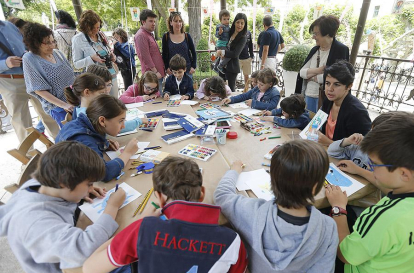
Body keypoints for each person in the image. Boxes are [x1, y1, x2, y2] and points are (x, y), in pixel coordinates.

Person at [83, 156, 248, 273]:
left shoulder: (144, 229)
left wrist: (139, 222)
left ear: (160, 198)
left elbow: (89, 268)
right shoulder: (233, 240)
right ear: (202, 193)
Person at [0, 141, 126, 272]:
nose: (91, 188)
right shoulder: (35, 222)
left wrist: (79, 192)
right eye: (89, 184)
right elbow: (83, 248)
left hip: (69, 243)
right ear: (63, 183)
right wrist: (112, 206)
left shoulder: (42, 184)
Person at [214, 140, 338, 272]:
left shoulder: (252, 212)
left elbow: (222, 195)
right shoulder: (328, 228)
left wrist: (234, 170)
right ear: (315, 187)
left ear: (272, 179)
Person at [325, 112, 414, 273]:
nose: (371, 169)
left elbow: (344, 254)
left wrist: (338, 209)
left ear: (404, 174)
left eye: (374, 165)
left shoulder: (385, 216)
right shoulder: (405, 197)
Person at [56, 94, 139, 182]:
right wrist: (127, 153)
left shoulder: (86, 122)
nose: (123, 126)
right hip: (68, 183)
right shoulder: (83, 140)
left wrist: (103, 143)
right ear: (102, 121)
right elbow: (103, 173)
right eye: (120, 121)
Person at [0, 20, 59, 142]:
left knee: (47, 112)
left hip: (31, 75)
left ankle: (63, 145)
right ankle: (29, 156)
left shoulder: (9, 25)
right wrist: (5, 63)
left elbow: (25, 44)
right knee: (21, 120)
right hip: (9, 81)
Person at [328, 111, 407, 194]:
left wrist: (357, 170)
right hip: (346, 188)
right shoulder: (360, 146)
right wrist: (347, 141)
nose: (370, 135)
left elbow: (389, 188)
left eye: (376, 135)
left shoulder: (392, 160)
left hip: (365, 198)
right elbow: (332, 152)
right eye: (371, 131)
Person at [22, 22, 75, 128]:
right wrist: (64, 105)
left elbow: (72, 76)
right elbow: (39, 90)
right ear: (35, 43)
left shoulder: (57, 53)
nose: (52, 45)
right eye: (47, 43)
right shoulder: (29, 58)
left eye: (53, 41)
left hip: (75, 102)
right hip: (59, 108)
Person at [295, 15, 350, 113]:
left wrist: (312, 76)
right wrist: (319, 70)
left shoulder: (341, 50)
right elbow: (302, 73)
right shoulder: (314, 49)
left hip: (326, 99)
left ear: (328, 34)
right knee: (308, 123)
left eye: (316, 34)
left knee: (320, 126)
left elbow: (340, 78)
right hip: (308, 94)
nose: (313, 37)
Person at [319, 61, 371, 146]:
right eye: (327, 83)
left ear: (349, 86)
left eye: (336, 84)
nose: (330, 89)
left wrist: (329, 143)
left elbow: (361, 148)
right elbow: (314, 126)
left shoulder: (357, 112)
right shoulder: (328, 101)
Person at [72, 10, 119, 98]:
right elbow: (76, 64)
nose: (96, 30)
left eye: (98, 27)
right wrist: (91, 58)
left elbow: (108, 51)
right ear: (86, 27)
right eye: (93, 28)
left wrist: (113, 57)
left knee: (114, 104)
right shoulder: (78, 39)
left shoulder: (101, 35)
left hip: (112, 76)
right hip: (96, 81)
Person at [135, 9, 165, 92]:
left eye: (154, 21)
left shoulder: (147, 34)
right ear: (143, 22)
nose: (153, 24)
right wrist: (155, 72)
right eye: (151, 21)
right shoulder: (141, 35)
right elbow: (145, 57)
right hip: (152, 77)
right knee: (155, 101)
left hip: (156, 75)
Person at [216, 13, 248, 91]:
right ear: (234, 22)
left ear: (244, 25)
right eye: (238, 22)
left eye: (242, 23)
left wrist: (222, 52)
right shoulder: (229, 32)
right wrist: (217, 50)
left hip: (232, 68)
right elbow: (220, 41)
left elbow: (235, 54)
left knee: (230, 90)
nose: (239, 25)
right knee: (220, 88)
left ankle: (231, 103)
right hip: (222, 66)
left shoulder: (243, 37)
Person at [161, 12, 196, 78]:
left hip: (187, 71)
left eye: (180, 21)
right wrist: (166, 68)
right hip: (173, 72)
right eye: (175, 21)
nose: (178, 23)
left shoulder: (187, 36)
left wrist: (193, 66)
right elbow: (164, 55)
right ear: (171, 23)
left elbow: (193, 52)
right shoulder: (166, 37)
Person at [214, 9, 231, 74]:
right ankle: (220, 66)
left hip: (225, 45)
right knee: (229, 56)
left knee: (222, 56)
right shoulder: (220, 26)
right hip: (222, 45)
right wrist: (220, 33)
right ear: (220, 20)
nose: (227, 21)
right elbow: (217, 35)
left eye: (228, 19)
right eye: (224, 19)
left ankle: (216, 67)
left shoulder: (228, 27)